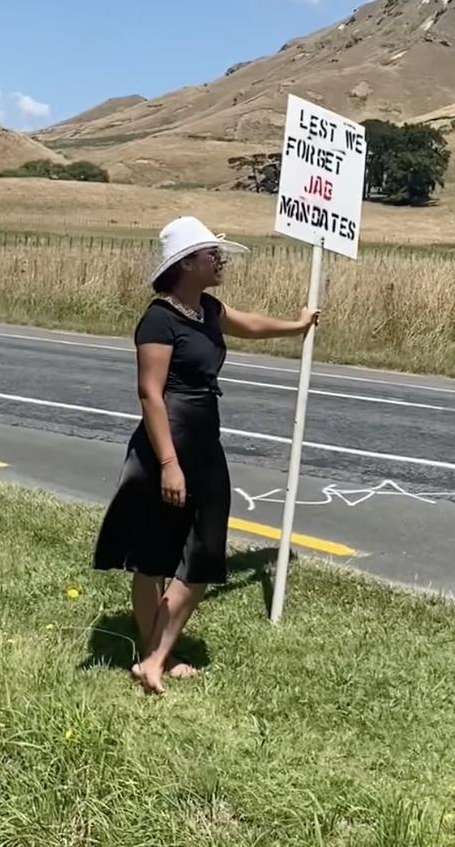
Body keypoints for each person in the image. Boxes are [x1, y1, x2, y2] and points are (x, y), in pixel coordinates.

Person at [93, 216, 318, 694]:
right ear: (186, 263)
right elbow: (150, 394)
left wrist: (297, 325)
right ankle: (155, 657)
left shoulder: (207, 309)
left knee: (205, 552)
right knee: (153, 558)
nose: (221, 260)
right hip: (165, 443)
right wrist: (169, 465)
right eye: (211, 253)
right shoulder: (158, 318)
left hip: (204, 441)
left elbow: (250, 324)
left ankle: (154, 655)